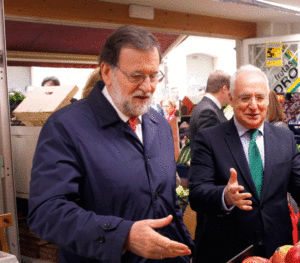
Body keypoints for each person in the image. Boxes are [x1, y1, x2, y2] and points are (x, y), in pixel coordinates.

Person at [28, 25, 193, 263]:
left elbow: (168, 205)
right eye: (137, 76)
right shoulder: (65, 128)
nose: (148, 87)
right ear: (107, 72)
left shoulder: (157, 123)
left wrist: (187, 252)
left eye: (154, 75)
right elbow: (47, 213)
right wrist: (123, 235)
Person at [188, 64, 300, 263]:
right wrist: (225, 196)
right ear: (231, 98)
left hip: (277, 251)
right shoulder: (210, 139)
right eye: (245, 98)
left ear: (268, 98)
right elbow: (197, 194)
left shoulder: (285, 138)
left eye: (260, 97)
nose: (254, 105)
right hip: (227, 252)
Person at [189, 69, 231, 153]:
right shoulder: (207, 112)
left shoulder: (205, 107)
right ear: (225, 89)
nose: (231, 95)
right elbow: (214, 149)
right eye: (231, 90)